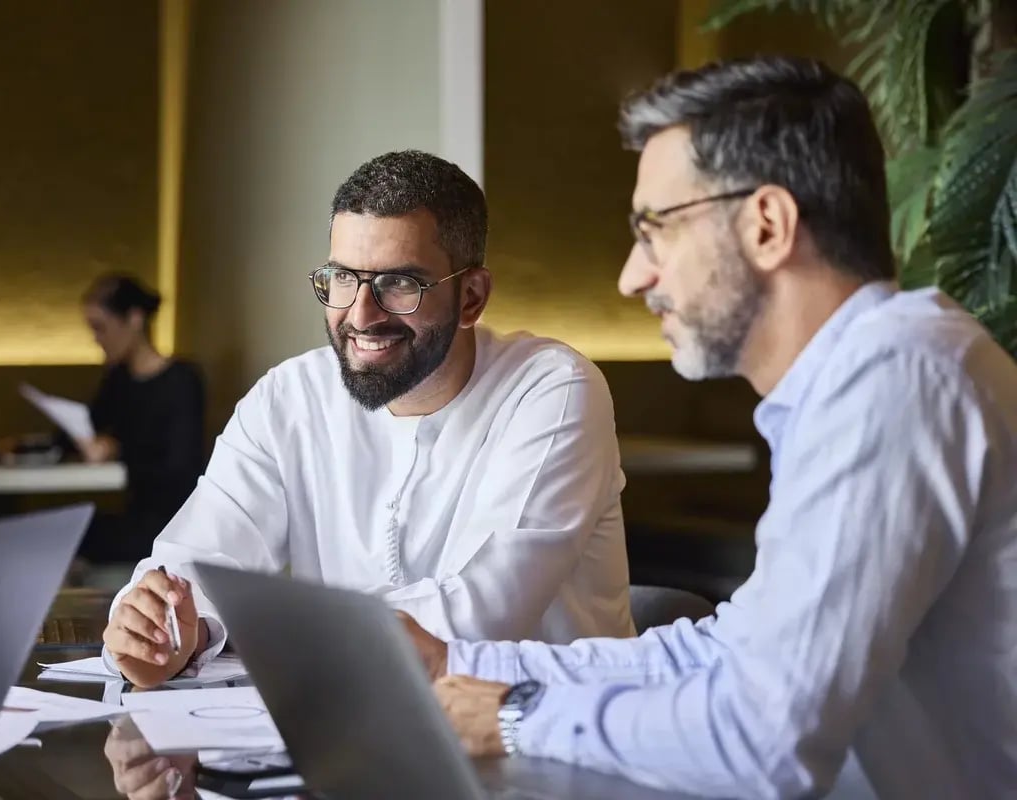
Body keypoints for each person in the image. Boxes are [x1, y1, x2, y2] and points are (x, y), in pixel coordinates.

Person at [404, 56, 1017, 799]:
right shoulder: (862, 382)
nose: (633, 277)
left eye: (654, 229)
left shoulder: (897, 379)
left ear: (766, 224)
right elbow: (725, 656)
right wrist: (460, 664)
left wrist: (517, 717)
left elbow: (765, 743)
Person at [101, 150, 635, 691]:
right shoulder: (289, 397)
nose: (360, 314)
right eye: (341, 278)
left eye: (399, 284)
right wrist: (158, 627)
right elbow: (197, 561)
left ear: (470, 297)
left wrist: (259, 625)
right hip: (360, 733)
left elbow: (479, 617)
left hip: (553, 743)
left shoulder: (553, 388)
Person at [69, 274, 206, 564]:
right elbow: (84, 425)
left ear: (134, 319)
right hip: (136, 514)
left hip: (172, 524)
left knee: (74, 534)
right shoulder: (118, 380)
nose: (96, 339)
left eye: (100, 328)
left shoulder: (181, 380)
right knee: (69, 529)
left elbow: (181, 470)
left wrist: (118, 450)